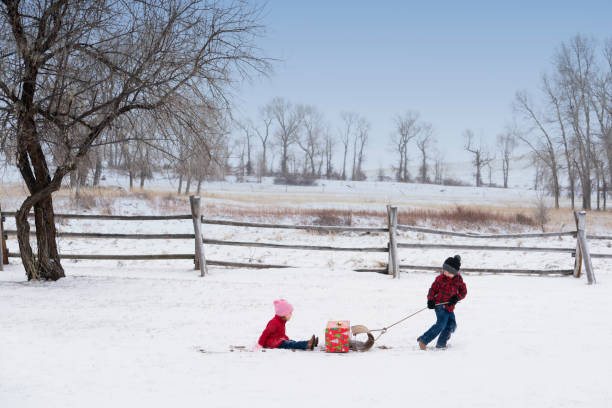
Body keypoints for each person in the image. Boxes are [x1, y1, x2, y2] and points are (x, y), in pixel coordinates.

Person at [417, 255, 467, 350]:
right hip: (439, 306)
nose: (445, 273)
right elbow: (432, 290)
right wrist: (430, 300)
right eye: (444, 271)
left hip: (449, 306)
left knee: (451, 325)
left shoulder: (458, 280)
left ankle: (441, 343)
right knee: (441, 324)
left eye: (448, 272)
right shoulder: (440, 279)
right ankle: (423, 340)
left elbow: (463, 292)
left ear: (455, 273)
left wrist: (456, 298)